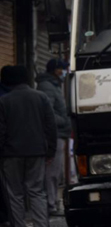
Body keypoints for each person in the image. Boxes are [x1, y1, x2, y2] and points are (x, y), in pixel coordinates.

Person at [0, 65, 58, 227]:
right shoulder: (41, 98)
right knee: (37, 191)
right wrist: (50, 150)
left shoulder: (4, 101)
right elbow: (51, 126)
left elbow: (1, 130)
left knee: (14, 194)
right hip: (37, 152)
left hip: (11, 154)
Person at [36, 59, 72, 215]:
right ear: (56, 70)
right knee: (51, 172)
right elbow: (47, 112)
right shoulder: (47, 87)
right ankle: (50, 205)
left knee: (54, 172)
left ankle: (52, 203)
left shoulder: (54, 86)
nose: (65, 72)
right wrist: (64, 121)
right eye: (63, 69)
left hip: (59, 133)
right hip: (53, 134)